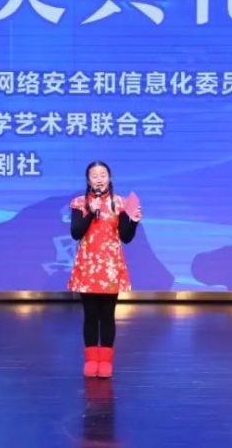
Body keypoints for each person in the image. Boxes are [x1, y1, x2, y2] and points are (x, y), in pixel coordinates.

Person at [67, 161, 142, 378]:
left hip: (110, 267)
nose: (99, 179)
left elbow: (125, 237)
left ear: (109, 177)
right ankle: (91, 360)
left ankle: (106, 361)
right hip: (88, 266)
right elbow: (76, 233)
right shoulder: (79, 202)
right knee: (90, 315)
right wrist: (91, 212)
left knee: (107, 315)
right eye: (94, 175)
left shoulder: (120, 203)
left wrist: (134, 222)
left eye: (103, 175)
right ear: (88, 180)